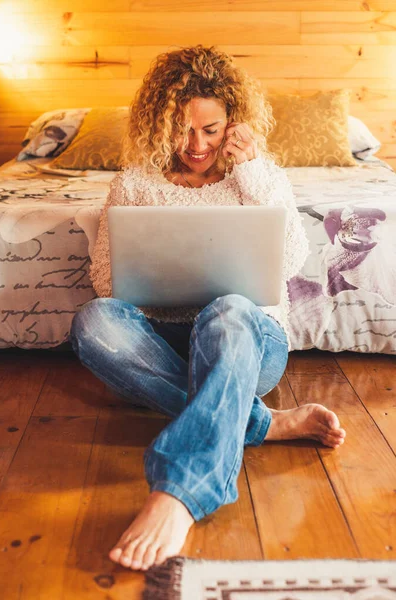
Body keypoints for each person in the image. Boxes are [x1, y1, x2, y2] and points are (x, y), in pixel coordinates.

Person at [69, 44, 346, 572]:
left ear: (233, 125)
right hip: (162, 336)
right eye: (181, 128)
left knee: (228, 309)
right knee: (92, 322)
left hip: (246, 339)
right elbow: (106, 282)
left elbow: (289, 258)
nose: (195, 145)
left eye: (210, 129)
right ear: (158, 123)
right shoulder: (133, 183)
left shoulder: (258, 176)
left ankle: (182, 490)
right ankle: (265, 424)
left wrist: (253, 170)